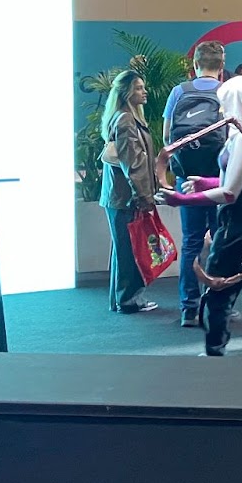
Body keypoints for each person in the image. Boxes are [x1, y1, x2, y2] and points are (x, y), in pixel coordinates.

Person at [157, 75, 242, 357]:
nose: (222, 109)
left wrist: (182, 199)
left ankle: (215, 350)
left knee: (219, 290)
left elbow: (230, 193)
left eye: (225, 102)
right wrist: (207, 183)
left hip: (240, 226)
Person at [163, 41, 225, 327]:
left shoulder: (179, 92)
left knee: (191, 242)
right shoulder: (225, 92)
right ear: (221, 66)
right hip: (218, 179)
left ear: (195, 65)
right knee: (221, 240)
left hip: (186, 177)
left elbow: (167, 137)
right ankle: (218, 305)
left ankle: (188, 308)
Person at [101, 69, 160, 314]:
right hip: (126, 198)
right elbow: (133, 163)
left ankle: (121, 300)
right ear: (126, 93)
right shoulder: (126, 120)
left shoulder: (124, 117)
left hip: (119, 197)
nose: (144, 92)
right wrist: (144, 196)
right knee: (128, 251)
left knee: (122, 249)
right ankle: (128, 301)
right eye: (138, 88)